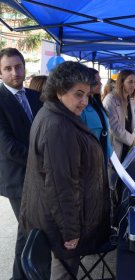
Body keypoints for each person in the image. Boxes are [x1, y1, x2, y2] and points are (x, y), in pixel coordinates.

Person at [19, 61, 110, 280]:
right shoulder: (58, 126)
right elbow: (62, 185)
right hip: (61, 225)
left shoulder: (55, 114)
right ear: (60, 91)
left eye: (87, 94)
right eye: (79, 94)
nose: (84, 102)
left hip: (54, 218)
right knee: (63, 274)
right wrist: (70, 231)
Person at [0, 47, 43, 280]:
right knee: (28, 230)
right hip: (18, 178)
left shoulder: (36, 97)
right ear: (0, 73)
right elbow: (8, 147)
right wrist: (43, 161)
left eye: (18, 66)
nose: (15, 72)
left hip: (39, 176)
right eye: (8, 68)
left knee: (26, 231)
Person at [103, 70, 135, 162]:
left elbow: (131, 124)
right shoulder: (110, 100)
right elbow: (114, 128)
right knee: (114, 175)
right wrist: (132, 139)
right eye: (130, 82)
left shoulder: (128, 99)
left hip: (127, 148)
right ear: (121, 82)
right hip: (115, 149)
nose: (133, 85)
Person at [81, 68, 112, 165]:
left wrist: (110, 154)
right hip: (90, 161)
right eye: (97, 81)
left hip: (103, 156)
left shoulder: (96, 103)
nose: (100, 84)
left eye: (100, 81)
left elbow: (105, 133)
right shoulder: (81, 108)